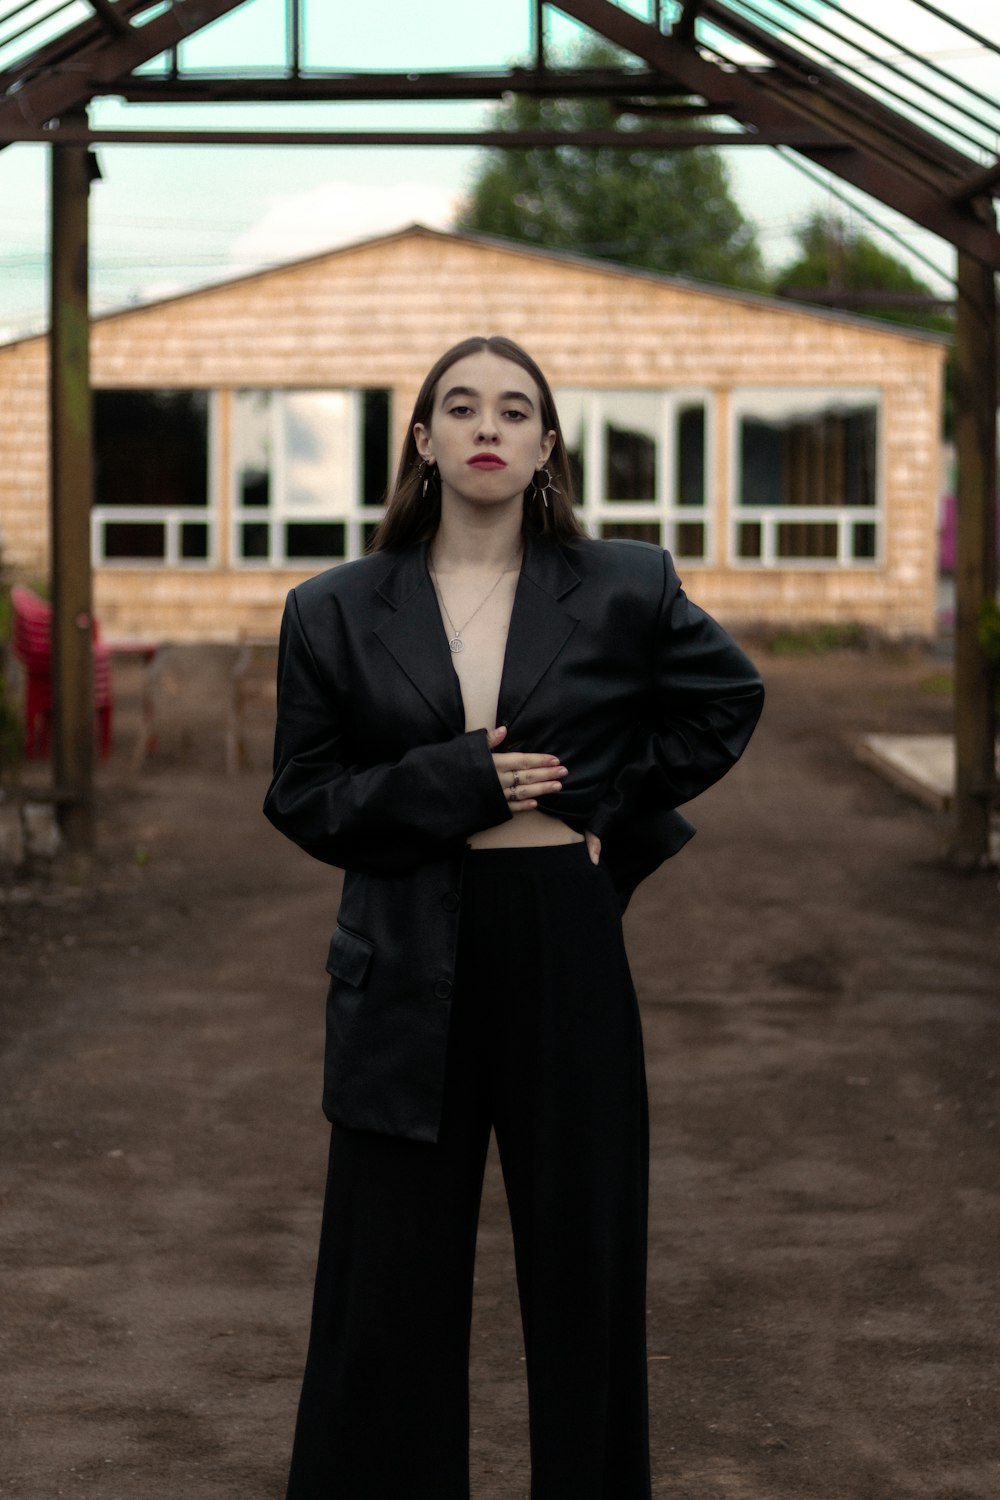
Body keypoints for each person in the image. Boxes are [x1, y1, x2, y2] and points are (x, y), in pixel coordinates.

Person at [263, 334, 764, 1499]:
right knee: (384, 1283)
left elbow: (726, 699)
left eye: (514, 408)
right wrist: (454, 784)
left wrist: (615, 823)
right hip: (400, 948)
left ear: (546, 445)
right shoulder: (333, 609)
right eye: (459, 405)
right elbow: (302, 795)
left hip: (561, 939)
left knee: (583, 1267)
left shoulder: (626, 585)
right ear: (425, 442)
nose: (486, 425)